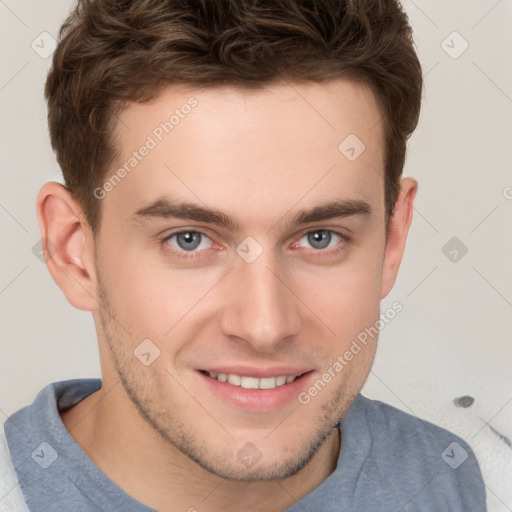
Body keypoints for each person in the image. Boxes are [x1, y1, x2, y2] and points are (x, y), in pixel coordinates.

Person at [0, 0, 487, 510]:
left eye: (320, 237)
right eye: (189, 239)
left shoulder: (472, 483)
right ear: (74, 252)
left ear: (391, 241)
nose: (264, 326)